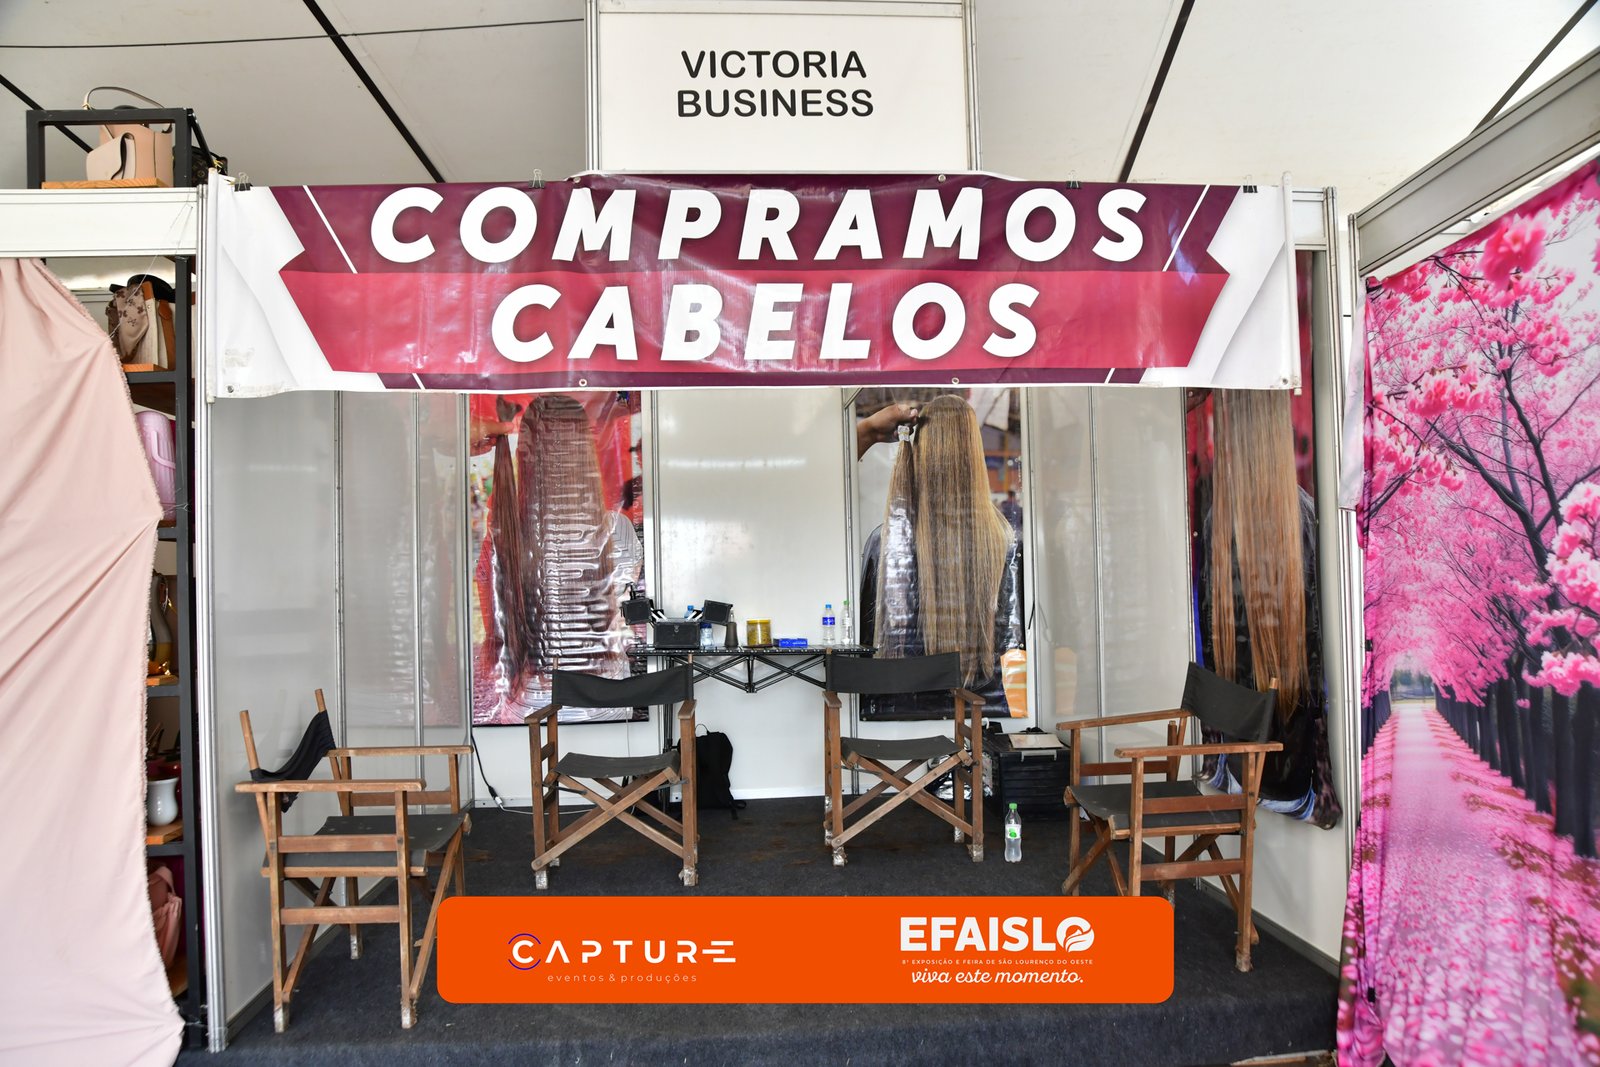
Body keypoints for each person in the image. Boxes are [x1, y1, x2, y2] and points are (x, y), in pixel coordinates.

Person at [856, 395, 1021, 720]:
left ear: (921, 451)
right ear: (974, 455)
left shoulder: (886, 541)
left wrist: (868, 431)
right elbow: (1011, 640)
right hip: (983, 719)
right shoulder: (1003, 543)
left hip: (895, 718)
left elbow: (864, 641)